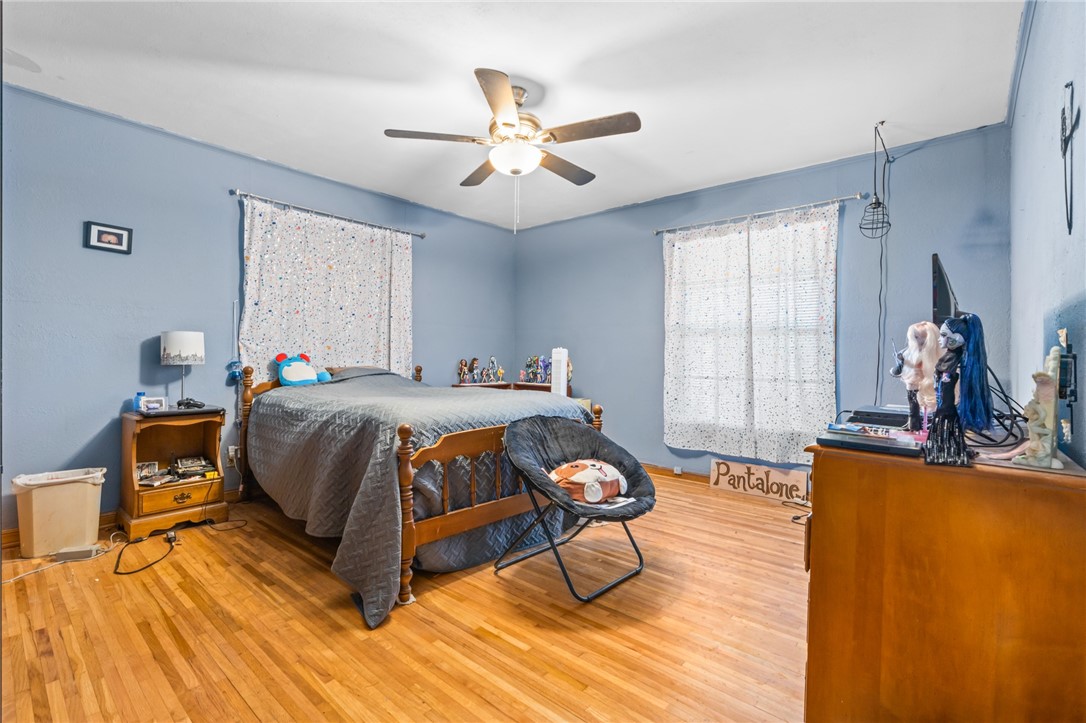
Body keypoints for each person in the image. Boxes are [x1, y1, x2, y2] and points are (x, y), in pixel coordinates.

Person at [922, 314, 993, 466]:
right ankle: (948, 449)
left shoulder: (954, 359)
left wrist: (945, 380)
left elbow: (946, 378)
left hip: (945, 403)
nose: (940, 339)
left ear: (958, 338)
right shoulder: (951, 357)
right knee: (948, 428)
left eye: (943, 335)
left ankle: (947, 451)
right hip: (944, 401)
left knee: (946, 425)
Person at [890, 321, 940, 431]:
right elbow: (895, 371)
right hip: (914, 385)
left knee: (935, 406)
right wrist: (900, 365)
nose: (919, 341)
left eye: (923, 338)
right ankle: (914, 424)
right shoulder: (908, 354)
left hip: (932, 386)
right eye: (916, 337)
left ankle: (935, 426)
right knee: (914, 409)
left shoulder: (938, 357)